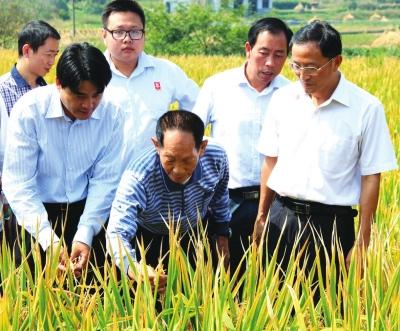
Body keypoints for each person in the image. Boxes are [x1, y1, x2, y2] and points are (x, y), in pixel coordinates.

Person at [254, 21, 397, 287]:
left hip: (330, 226)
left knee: (328, 311)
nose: (302, 75)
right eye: (296, 65)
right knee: (272, 306)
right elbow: (271, 161)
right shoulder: (283, 100)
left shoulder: (366, 108)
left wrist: (364, 243)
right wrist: (262, 217)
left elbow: (371, 178)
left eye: (311, 67)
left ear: (336, 61)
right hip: (280, 218)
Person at [2, 43, 123, 277]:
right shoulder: (30, 110)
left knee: (91, 297)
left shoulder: (112, 114)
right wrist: (49, 240)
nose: (88, 105)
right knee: (28, 299)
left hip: (86, 212)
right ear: (58, 84)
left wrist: (86, 233)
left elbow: (105, 180)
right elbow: (19, 183)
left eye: (96, 95)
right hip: (32, 218)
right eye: (79, 96)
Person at [192, 17, 293, 275]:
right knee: (223, 275)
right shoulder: (217, 87)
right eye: (264, 53)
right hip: (227, 200)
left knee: (272, 275)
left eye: (279, 55)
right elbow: (191, 137)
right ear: (248, 49)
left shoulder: (292, 94)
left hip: (276, 204)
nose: (270, 63)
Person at [107, 110, 231, 293]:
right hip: (149, 238)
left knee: (197, 299)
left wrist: (222, 238)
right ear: (157, 146)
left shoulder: (216, 157)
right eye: (170, 160)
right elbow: (116, 232)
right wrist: (134, 267)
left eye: (188, 160)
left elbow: (220, 197)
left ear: (202, 148)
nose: (179, 170)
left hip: (193, 234)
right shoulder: (139, 175)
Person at [101, 0, 199, 171]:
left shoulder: (165, 71)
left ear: (144, 34)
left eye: (135, 32)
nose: (127, 39)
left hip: (157, 178)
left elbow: (198, 105)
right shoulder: (93, 73)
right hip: (105, 179)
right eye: (118, 32)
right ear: (104, 35)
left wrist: (181, 145)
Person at [0, 20, 60, 237]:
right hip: (10, 198)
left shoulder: (51, 92)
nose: (52, 61)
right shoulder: (2, 90)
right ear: (27, 50)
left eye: (56, 54)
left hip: (45, 197)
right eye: (48, 54)